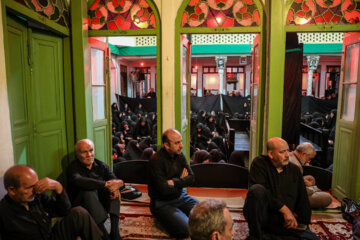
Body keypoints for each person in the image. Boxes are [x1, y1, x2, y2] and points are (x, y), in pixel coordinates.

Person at [243, 137, 319, 240]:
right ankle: (258, 236)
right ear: (271, 154)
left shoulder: (294, 170)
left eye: (288, 151)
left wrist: (304, 225)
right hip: (264, 219)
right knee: (257, 190)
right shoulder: (259, 164)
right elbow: (262, 193)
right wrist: (284, 210)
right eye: (282, 152)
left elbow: (303, 200)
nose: (287, 155)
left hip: (284, 223)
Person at [0, 165, 102, 240]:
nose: (35, 190)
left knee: (78, 213)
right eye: (29, 187)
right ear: (12, 190)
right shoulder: (4, 212)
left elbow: (64, 211)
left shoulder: (37, 196)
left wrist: (58, 188)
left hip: (51, 236)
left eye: (36, 185)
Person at [67, 139, 124, 240]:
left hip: (100, 205)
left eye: (91, 150)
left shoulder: (101, 165)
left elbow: (114, 179)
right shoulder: (73, 167)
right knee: (88, 192)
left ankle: (115, 232)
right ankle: (104, 235)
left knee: (114, 189)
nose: (89, 154)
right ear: (77, 154)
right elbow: (79, 181)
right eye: (84, 152)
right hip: (81, 208)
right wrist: (105, 184)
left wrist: (118, 184)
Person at [148, 128, 199, 239]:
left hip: (181, 196)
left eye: (181, 141)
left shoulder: (180, 155)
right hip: (162, 202)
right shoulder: (155, 160)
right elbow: (163, 190)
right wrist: (181, 182)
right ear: (166, 145)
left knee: (205, 214)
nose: (181, 145)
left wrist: (174, 182)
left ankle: (175, 217)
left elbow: (192, 178)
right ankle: (165, 219)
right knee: (187, 229)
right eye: (177, 143)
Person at [289, 142, 332, 209]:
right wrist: (314, 189)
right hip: (291, 198)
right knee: (327, 198)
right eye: (309, 158)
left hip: (289, 189)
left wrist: (304, 181)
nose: (308, 162)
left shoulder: (290, 154)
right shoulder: (297, 166)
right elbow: (298, 192)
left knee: (310, 178)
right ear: (303, 154)